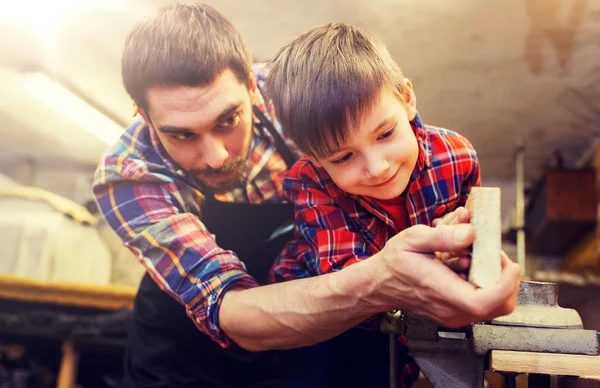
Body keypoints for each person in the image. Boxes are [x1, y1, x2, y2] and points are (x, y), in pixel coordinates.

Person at [91, 3, 521, 388]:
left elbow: (403, 145)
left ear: (253, 86)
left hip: (308, 347)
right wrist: (382, 282)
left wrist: (455, 244)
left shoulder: (296, 97)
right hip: (181, 361)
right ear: (144, 116)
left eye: (228, 120)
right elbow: (230, 309)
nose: (217, 156)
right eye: (181, 134)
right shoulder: (129, 177)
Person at [264, 22, 505, 387]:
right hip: (320, 322)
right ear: (313, 157)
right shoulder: (307, 182)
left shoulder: (458, 156)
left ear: (406, 98)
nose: (377, 168)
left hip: (402, 320)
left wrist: (463, 246)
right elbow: (351, 280)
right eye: (343, 157)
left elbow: (475, 253)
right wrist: (436, 252)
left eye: (386, 134)